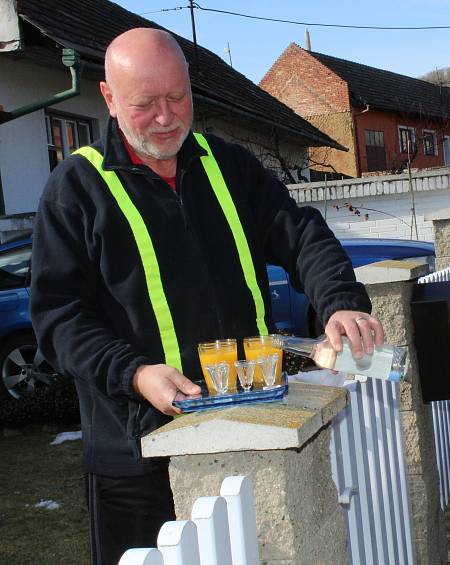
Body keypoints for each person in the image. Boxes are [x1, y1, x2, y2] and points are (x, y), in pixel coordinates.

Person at [30, 28, 384, 565]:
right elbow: (58, 318)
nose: (167, 117)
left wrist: (339, 299)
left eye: (177, 97)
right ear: (108, 98)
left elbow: (301, 232)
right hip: (137, 453)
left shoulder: (230, 165)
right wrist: (133, 372)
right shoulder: (75, 187)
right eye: (145, 104)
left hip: (248, 428)